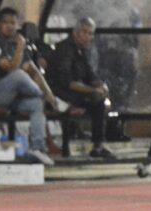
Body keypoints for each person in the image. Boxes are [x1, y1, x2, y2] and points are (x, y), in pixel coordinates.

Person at [0, 7, 56, 166]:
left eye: (13, 23)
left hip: (14, 99)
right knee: (18, 75)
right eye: (5, 22)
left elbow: (32, 68)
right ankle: (40, 95)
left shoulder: (16, 43)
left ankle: (38, 148)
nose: (9, 26)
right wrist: (20, 46)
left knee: (37, 104)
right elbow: (10, 68)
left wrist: (48, 93)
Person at [46, 17, 114, 159]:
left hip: (71, 91)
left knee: (99, 101)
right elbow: (67, 82)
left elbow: (90, 75)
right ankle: (95, 145)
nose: (88, 36)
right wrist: (92, 90)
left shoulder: (81, 50)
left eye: (91, 33)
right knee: (96, 100)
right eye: (85, 32)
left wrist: (101, 85)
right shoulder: (64, 49)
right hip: (57, 92)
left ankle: (98, 146)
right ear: (76, 32)